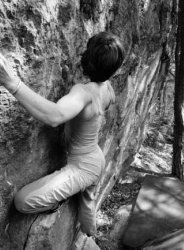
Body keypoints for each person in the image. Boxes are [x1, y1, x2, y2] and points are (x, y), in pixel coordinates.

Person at [0, 32, 125, 236]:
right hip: (96, 158)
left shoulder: (83, 92)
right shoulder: (108, 88)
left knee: (22, 201)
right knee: (87, 209)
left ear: (88, 60)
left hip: (83, 167)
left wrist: (11, 82)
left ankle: (68, 206)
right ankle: (90, 235)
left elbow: (55, 116)